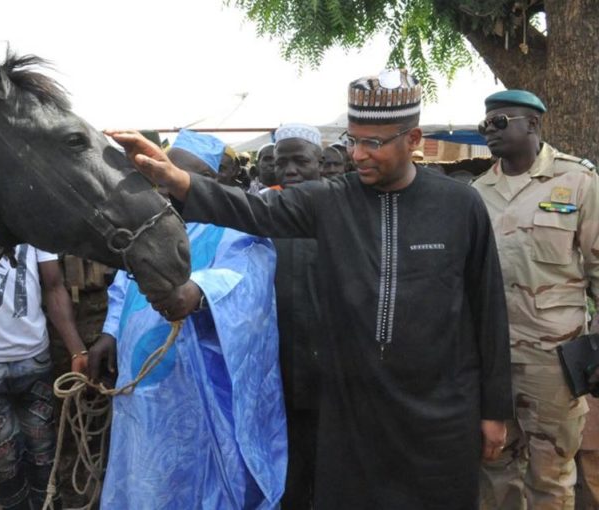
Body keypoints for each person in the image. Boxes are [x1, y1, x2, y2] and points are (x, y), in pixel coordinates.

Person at [107, 68, 512, 510]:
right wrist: (175, 178)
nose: (358, 154)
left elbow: (488, 309)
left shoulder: (460, 205)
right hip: (354, 411)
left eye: (373, 143)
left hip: (441, 412)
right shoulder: (332, 200)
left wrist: (494, 410)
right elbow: (252, 209)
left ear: (413, 139)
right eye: (354, 140)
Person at [88, 128, 286, 509]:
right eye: (161, 177)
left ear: (206, 182)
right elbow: (124, 287)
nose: (165, 188)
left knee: (191, 483)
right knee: (139, 476)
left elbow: (247, 277)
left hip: (193, 395)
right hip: (137, 388)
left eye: (176, 177)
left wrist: (199, 292)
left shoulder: (234, 229)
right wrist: (110, 332)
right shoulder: (147, 225)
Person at [473, 89, 599, 509]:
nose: (489, 131)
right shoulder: (478, 191)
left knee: (551, 475)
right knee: (494, 469)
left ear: (532, 124)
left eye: (500, 122)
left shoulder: (577, 181)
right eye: (485, 124)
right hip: (492, 360)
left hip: (553, 361)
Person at [0, 244, 89, 510]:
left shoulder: (33, 228)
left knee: (44, 455)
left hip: (34, 360)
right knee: (2, 463)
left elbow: (54, 286)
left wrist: (76, 349)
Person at [269, 123, 324, 509]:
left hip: (332, 368)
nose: (290, 170)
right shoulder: (261, 214)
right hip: (275, 366)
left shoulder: (345, 212)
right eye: (281, 162)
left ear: (319, 162)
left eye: (300, 161)